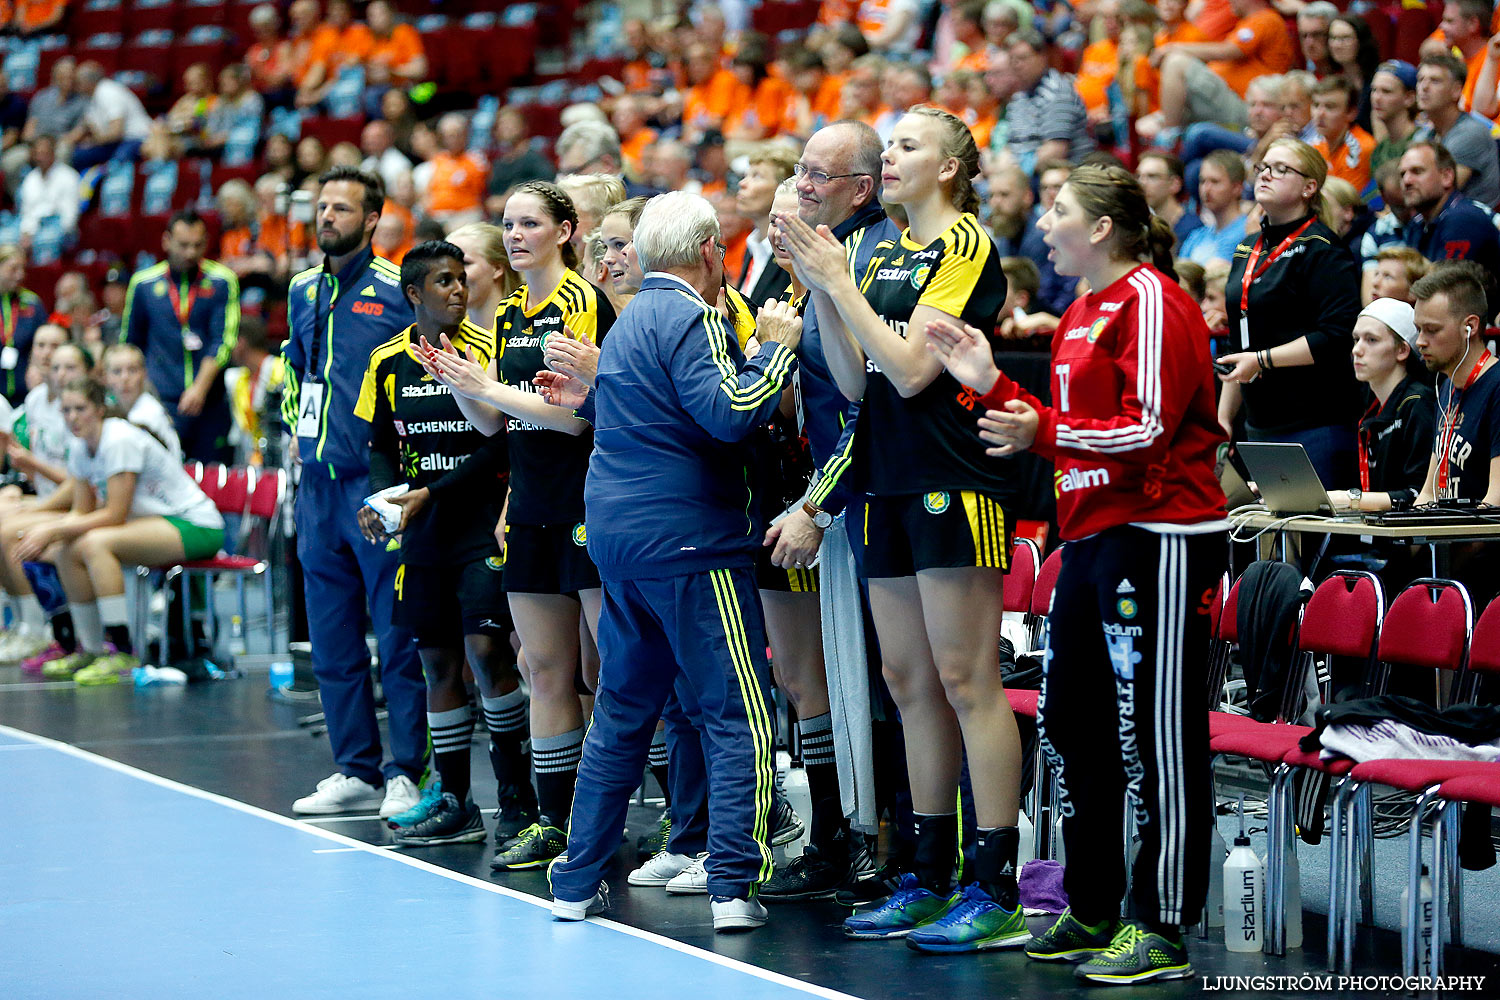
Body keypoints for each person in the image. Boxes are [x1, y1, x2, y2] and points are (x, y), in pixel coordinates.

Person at [925, 161, 1227, 985]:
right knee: (1077, 726)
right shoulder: (1081, 314)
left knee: (1157, 735)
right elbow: (1063, 428)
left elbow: (1153, 429)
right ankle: (1092, 905)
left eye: (1056, 210)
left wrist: (1043, 433)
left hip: (1158, 534)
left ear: (1100, 227)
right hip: (1090, 538)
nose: (1044, 222)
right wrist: (988, 386)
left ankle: (1161, 922)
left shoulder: (1153, 301)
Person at [779, 105, 1028, 952]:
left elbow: (918, 371)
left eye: (909, 146)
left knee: (967, 679)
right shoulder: (874, 248)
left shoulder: (964, 244)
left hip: (952, 479)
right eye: (888, 146)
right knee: (908, 682)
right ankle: (927, 872)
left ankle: (994, 886)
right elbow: (854, 382)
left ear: (950, 169)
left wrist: (838, 282)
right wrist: (823, 287)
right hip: (884, 479)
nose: (891, 157)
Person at [541, 190, 803, 933]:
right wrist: (776, 346)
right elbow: (728, 413)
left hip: (621, 541)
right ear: (712, 250)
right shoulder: (693, 315)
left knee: (623, 712)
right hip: (689, 542)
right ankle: (731, 887)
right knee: (739, 715)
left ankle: (575, 880)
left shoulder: (624, 324)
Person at [419, 180, 615, 871]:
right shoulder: (505, 316)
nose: (515, 234)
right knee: (546, 670)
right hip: (530, 504)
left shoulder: (582, 301)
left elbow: (578, 415)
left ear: (565, 231)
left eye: (530, 223)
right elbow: (495, 425)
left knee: (614, 669)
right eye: (507, 224)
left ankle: (672, 814)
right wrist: (459, 382)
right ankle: (554, 822)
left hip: (588, 502)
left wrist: (491, 390)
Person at [353, 240, 530, 846]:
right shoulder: (386, 361)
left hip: (481, 526)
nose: (459, 291)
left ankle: (517, 802)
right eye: (445, 283)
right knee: (436, 665)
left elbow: (501, 442)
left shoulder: (490, 349)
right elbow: (379, 443)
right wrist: (383, 501)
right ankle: (455, 801)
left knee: (487, 655)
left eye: (462, 280)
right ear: (414, 295)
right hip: (423, 538)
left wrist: (431, 491)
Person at [279, 166, 425, 820]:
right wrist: (293, 432)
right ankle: (355, 769)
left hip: (375, 483)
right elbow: (295, 371)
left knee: (395, 631)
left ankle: (406, 770)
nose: (327, 215)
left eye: (342, 207)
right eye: (322, 205)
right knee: (333, 637)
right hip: (315, 485)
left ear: (372, 220)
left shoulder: (399, 288)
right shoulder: (302, 289)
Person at [16, 377, 225, 686]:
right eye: (66, 410)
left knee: (95, 544)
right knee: (66, 548)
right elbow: (81, 511)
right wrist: (54, 532)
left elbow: (114, 515)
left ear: (100, 409)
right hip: (155, 523)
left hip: (196, 524)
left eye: (80, 409)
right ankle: (90, 649)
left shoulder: (119, 440)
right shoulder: (79, 445)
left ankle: (123, 651)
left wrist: (52, 529)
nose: (72, 417)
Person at [1217, 138, 1363, 486]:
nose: (1266, 175)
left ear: (1309, 187)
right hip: (1258, 422)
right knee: (1267, 536)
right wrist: (1223, 418)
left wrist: (1263, 360)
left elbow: (1336, 336)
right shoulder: (1245, 249)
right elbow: (1240, 346)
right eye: (1263, 167)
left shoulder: (1323, 249)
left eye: (1281, 169)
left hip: (1314, 423)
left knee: (1312, 535)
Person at [121, 209, 239, 463]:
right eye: (183, 245)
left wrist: (199, 388)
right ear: (166, 241)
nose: (190, 253)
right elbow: (131, 345)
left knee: (211, 478)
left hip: (209, 400)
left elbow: (224, 341)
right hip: (160, 401)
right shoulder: (143, 284)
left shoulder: (222, 281)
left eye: (197, 245)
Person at [1326, 298, 1436, 514]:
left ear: (1402, 350)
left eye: (1372, 340)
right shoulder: (1368, 405)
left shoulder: (1418, 404)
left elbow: (1419, 495)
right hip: (1379, 537)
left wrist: (1350, 499)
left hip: (1409, 541)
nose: (1357, 350)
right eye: (1356, 339)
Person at [1414, 262, 1500, 507]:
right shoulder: (1446, 387)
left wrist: (1445, 542)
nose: (1420, 341)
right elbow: (1429, 494)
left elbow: (1495, 503)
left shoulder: (1497, 386)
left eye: (1431, 330)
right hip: (1445, 539)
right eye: (1418, 329)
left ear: (1469, 327)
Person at [1398, 141, 1500, 277]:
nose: (1407, 181)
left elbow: (1444, 288)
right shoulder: (1417, 223)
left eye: (1417, 171)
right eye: (1402, 174)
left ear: (1446, 177)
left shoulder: (1464, 218)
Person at [1413, 53, 1500, 208]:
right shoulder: (1422, 136)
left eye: (1435, 81)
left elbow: (1439, 193)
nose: (1424, 87)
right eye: (1420, 80)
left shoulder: (1471, 133)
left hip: (1474, 225)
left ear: (1456, 90)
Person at [1005, 31, 1095, 171]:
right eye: (1012, 59)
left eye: (1022, 58)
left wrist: (1016, 174)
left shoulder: (1057, 91)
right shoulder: (1018, 98)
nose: (1016, 65)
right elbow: (1010, 144)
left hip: (1059, 174)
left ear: (1042, 57)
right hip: (1020, 174)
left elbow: (1055, 150)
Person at [735, 145, 798, 309]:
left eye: (757, 176)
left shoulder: (790, 252)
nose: (742, 183)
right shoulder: (752, 246)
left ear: (784, 187)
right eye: (746, 175)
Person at [99, 343, 181, 462]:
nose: (125, 378)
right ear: (105, 377)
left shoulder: (148, 414)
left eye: (132, 370)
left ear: (144, 374)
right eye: (117, 371)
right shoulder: (112, 407)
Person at [1178, 150, 1249, 266]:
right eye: (1202, 181)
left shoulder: (1248, 231)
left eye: (1215, 182)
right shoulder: (1197, 235)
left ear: (1237, 188)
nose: (1206, 189)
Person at [1311, 76, 1375, 195]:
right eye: (1316, 105)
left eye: (1330, 107)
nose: (1319, 114)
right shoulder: (1317, 144)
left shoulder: (1362, 147)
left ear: (1351, 113)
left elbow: (1343, 200)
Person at [0, 246, 46, 405]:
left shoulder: (32, 303)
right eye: (13, 269)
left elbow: (44, 341)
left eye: (22, 269)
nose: (20, 275)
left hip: (25, 392)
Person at [1135, 151, 1203, 250]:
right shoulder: (1142, 228)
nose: (1142, 183)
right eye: (1138, 176)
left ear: (1175, 184)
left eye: (1152, 176)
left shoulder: (1193, 230)